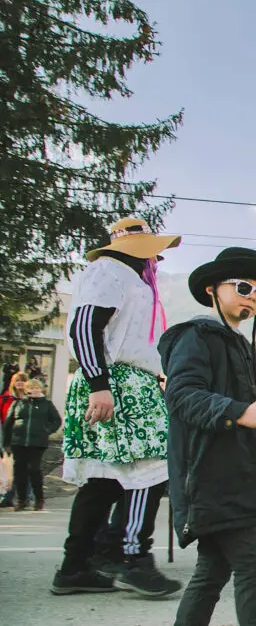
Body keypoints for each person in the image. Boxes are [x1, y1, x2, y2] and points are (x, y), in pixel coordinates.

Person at [54, 217, 181, 597]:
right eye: (152, 250)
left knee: (105, 479)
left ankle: (78, 566)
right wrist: (99, 385)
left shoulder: (128, 277)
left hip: (124, 379)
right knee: (152, 465)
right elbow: (84, 326)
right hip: (115, 382)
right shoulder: (109, 269)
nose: (156, 258)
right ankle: (132, 558)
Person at [160, 247, 256, 626]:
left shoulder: (241, 346)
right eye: (244, 287)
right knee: (253, 569)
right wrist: (242, 412)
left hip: (236, 474)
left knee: (212, 572)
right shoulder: (194, 337)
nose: (253, 298)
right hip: (210, 474)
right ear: (214, 288)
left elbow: (238, 403)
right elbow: (180, 396)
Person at [3, 379, 61, 511]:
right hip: (18, 442)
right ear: (26, 390)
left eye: (36, 388)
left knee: (34, 469)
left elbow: (56, 420)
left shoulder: (46, 404)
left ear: (41, 389)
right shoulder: (18, 403)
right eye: (31, 388)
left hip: (37, 443)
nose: (34, 390)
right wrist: (6, 443)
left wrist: (46, 430)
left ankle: (39, 499)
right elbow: (8, 423)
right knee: (19, 472)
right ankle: (21, 500)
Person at [0, 372, 29, 508]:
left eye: (23, 381)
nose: (20, 383)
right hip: (9, 438)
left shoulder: (32, 398)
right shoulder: (5, 399)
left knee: (26, 468)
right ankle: (8, 497)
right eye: (17, 381)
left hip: (27, 439)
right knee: (9, 469)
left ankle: (24, 496)